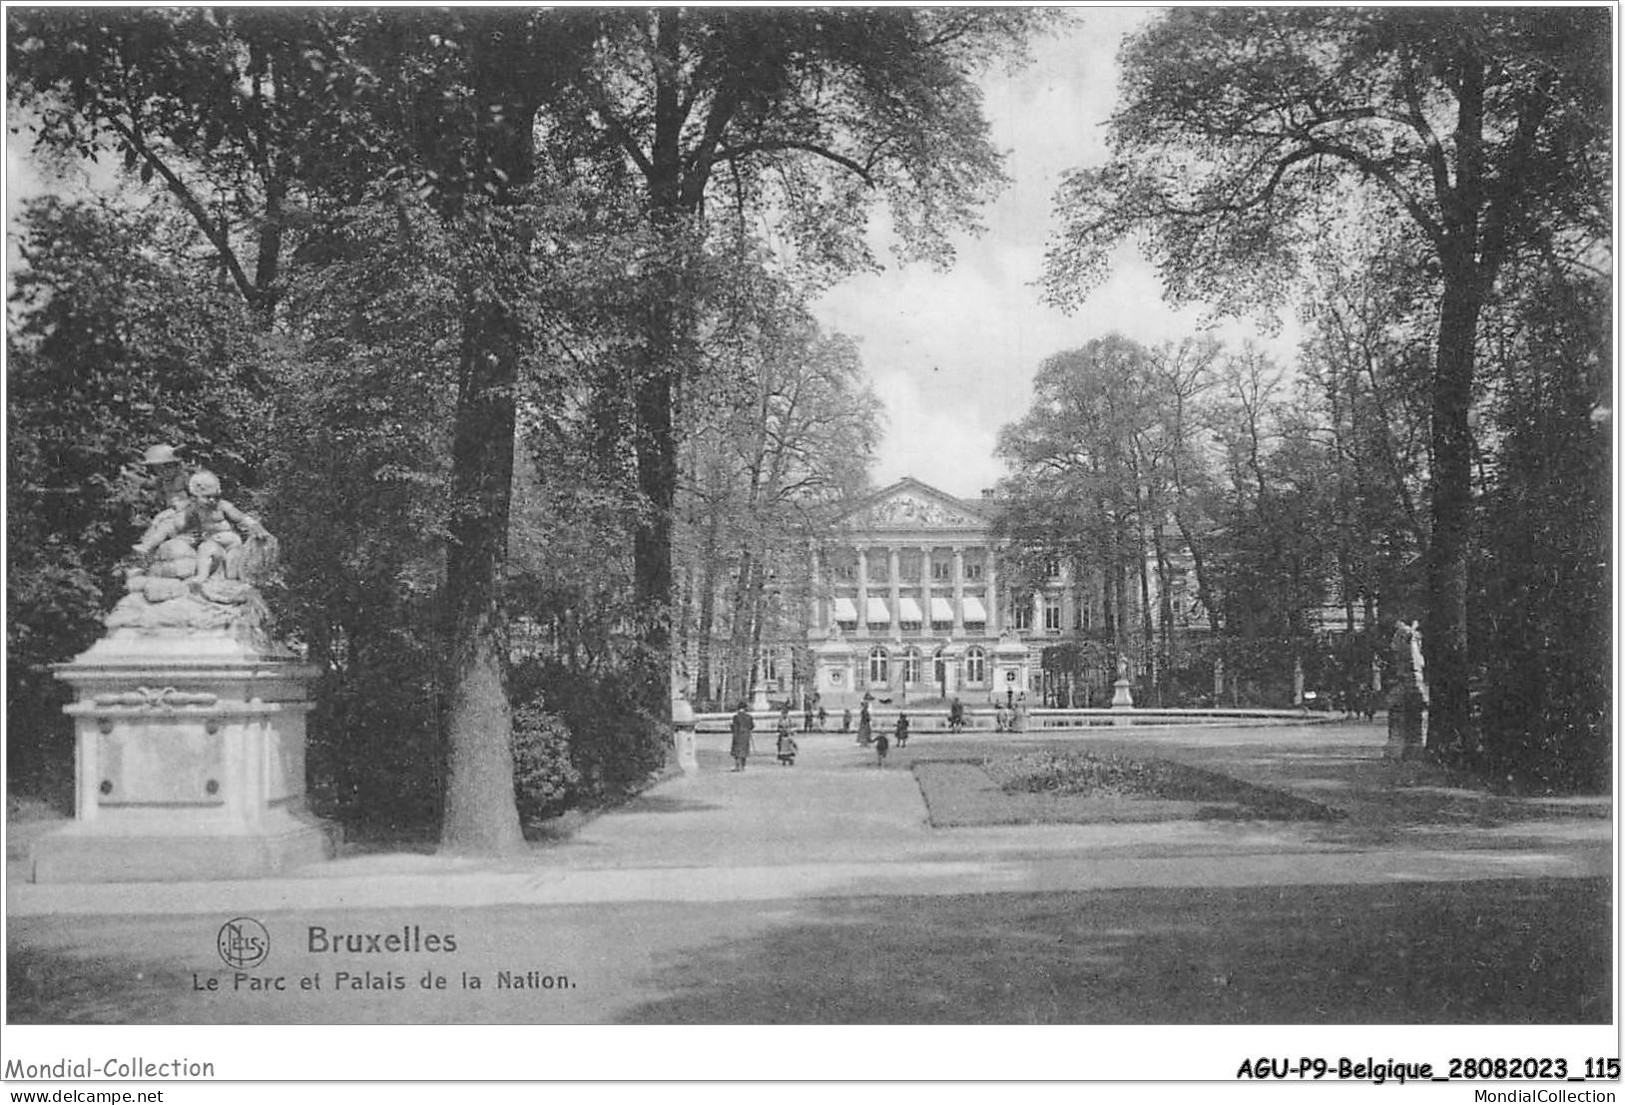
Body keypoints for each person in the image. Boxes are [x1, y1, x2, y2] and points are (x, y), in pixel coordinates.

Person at [133, 470, 270, 585]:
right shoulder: (193, 509)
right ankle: (200, 576)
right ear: (195, 497)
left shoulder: (222, 506)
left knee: (230, 573)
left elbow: (241, 517)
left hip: (229, 542)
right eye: (207, 497)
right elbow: (178, 525)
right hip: (210, 542)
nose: (212, 501)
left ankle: (218, 577)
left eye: (215, 497)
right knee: (200, 545)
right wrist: (169, 522)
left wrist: (256, 526)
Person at [729, 702, 754, 772]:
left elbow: (734, 727)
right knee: (744, 750)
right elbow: (752, 726)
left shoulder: (736, 717)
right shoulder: (749, 717)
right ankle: (743, 766)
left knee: (736, 751)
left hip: (738, 735)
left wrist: (730, 726)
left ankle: (737, 766)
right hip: (746, 735)